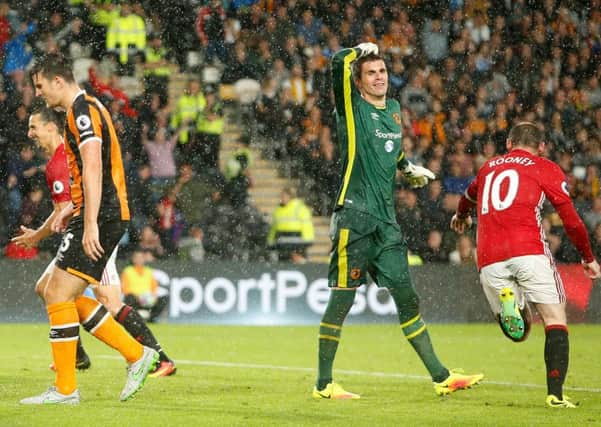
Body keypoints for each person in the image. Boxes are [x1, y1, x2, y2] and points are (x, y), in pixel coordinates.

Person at [313, 42, 483, 400]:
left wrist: (407, 168)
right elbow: (336, 63)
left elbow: (391, 149)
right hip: (354, 216)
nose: (379, 77)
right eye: (371, 73)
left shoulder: (392, 109)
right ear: (359, 82)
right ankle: (324, 384)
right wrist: (358, 50)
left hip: (386, 223)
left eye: (383, 72)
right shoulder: (352, 107)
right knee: (342, 300)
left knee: (408, 297)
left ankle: (441, 375)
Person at [20, 53, 157, 405]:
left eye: (40, 86)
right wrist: (73, 212)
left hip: (103, 214)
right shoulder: (80, 110)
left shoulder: (82, 111)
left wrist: (90, 220)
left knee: (56, 293)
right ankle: (135, 354)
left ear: (58, 81)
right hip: (94, 212)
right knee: (57, 291)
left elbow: (94, 166)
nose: (39, 94)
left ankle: (69, 389)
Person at [12, 102, 176, 377]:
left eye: (33, 127)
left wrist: (38, 236)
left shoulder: (64, 159)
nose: (30, 133)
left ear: (51, 127)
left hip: (93, 236)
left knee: (108, 301)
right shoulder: (57, 162)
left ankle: (158, 359)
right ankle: (76, 354)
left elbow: (72, 206)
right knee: (47, 288)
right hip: (81, 236)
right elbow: (61, 209)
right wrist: (41, 234)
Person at [451, 121, 601, 408]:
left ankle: (514, 303)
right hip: (529, 251)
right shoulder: (544, 167)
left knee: (519, 333)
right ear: (541, 147)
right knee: (554, 319)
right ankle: (555, 394)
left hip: (489, 258)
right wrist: (588, 257)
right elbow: (571, 221)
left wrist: (461, 216)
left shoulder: (489, 167)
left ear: (509, 143)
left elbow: (468, 196)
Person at [267, 187, 314, 264]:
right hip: (281, 242)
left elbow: (307, 225)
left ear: (290, 197)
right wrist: (271, 241)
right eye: (281, 196)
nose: (282, 198)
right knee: (283, 264)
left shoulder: (299, 208)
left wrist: (307, 241)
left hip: (297, 241)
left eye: (284, 196)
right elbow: (274, 227)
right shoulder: (278, 209)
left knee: (299, 263)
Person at [121, 250, 169, 323]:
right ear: (133, 259)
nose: (140, 260)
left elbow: (154, 287)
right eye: (137, 258)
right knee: (129, 297)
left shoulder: (149, 271)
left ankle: (151, 318)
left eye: (141, 258)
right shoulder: (127, 271)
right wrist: (138, 297)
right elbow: (125, 289)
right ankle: (135, 317)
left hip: (148, 298)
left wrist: (153, 296)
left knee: (164, 298)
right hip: (135, 299)